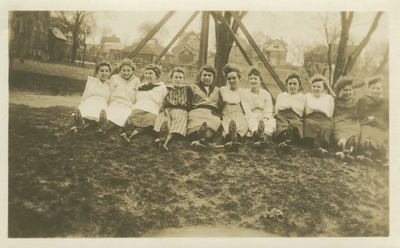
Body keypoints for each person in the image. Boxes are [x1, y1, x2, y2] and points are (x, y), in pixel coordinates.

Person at [121, 64, 167, 143]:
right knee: (132, 118)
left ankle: (131, 134)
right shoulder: (141, 86)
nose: (147, 75)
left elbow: (163, 100)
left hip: (152, 108)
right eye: (146, 73)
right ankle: (128, 131)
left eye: (150, 73)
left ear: (156, 75)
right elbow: (137, 98)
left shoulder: (161, 87)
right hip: (139, 106)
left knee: (150, 122)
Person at [153, 67, 192, 151]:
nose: (178, 80)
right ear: (171, 78)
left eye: (180, 77)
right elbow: (162, 101)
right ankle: (162, 135)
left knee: (179, 121)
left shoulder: (187, 89)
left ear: (184, 79)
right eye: (176, 77)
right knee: (162, 120)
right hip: (168, 109)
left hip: (181, 110)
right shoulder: (166, 89)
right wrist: (162, 110)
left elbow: (190, 103)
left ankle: (167, 140)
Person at [98, 59, 140, 136]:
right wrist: (107, 104)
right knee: (112, 115)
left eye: (128, 70)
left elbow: (137, 96)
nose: (126, 73)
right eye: (124, 70)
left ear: (132, 70)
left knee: (124, 117)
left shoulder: (136, 80)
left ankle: (104, 129)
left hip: (128, 105)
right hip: (115, 103)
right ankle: (105, 126)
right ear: (120, 70)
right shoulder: (114, 78)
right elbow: (110, 92)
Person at [356, 75, 389, 166]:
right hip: (368, 125)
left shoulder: (386, 102)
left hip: (382, 127)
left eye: (378, 88)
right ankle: (368, 153)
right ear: (369, 88)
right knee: (367, 138)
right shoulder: (364, 99)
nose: (375, 91)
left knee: (385, 138)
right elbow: (359, 116)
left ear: (382, 89)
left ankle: (384, 156)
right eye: (373, 88)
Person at [72, 60, 111, 136]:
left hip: (102, 103)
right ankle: (81, 123)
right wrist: (80, 106)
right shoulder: (91, 81)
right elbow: (85, 94)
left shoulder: (111, 84)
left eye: (107, 71)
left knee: (99, 114)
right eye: (102, 71)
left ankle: (81, 127)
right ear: (97, 73)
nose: (104, 73)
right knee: (87, 112)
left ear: (109, 72)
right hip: (90, 101)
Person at [187, 65, 221, 149]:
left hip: (211, 112)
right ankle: (201, 137)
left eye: (210, 75)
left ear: (213, 77)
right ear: (200, 76)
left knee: (216, 121)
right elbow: (188, 103)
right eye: (204, 75)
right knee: (195, 123)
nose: (207, 77)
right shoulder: (193, 87)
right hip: (197, 111)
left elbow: (220, 104)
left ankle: (202, 139)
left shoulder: (217, 90)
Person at [272, 71, 306, 151]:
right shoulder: (281, 96)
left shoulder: (302, 97)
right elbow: (277, 110)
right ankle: (286, 136)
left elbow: (303, 112)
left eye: (295, 84)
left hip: (295, 117)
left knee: (298, 126)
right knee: (281, 126)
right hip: (282, 116)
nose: (292, 86)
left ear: (299, 85)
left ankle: (289, 136)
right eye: (290, 84)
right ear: (287, 85)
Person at [243, 67, 276, 148]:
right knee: (253, 124)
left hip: (264, 115)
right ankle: (260, 137)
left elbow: (268, 109)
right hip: (251, 114)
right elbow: (246, 109)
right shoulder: (245, 93)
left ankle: (263, 138)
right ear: (248, 80)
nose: (253, 81)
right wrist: (255, 117)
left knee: (270, 124)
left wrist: (265, 118)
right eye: (251, 79)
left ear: (260, 80)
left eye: (255, 78)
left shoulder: (265, 94)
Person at [219, 64, 250, 151]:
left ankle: (236, 138)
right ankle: (231, 137)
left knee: (243, 125)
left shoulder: (243, 92)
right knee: (226, 126)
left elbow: (247, 107)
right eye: (229, 79)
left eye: (234, 78)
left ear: (239, 78)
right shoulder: (222, 90)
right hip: (227, 112)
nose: (232, 81)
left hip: (238, 113)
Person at [304, 74, 334, 157]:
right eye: (314, 86)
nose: (316, 88)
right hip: (311, 117)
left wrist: (328, 120)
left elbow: (330, 113)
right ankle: (316, 144)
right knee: (309, 124)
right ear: (311, 87)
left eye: (319, 87)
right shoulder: (306, 96)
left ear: (324, 88)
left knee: (326, 126)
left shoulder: (329, 98)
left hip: (325, 118)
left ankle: (319, 145)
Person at [332, 76, 360, 163]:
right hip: (339, 121)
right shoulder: (334, 100)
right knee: (340, 132)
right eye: (345, 90)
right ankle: (344, 145)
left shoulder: (355, 100)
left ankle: (345, 152)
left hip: (353, 122)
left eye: (350, 90)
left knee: (354, 134)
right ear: (340, 90)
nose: (348, 92)